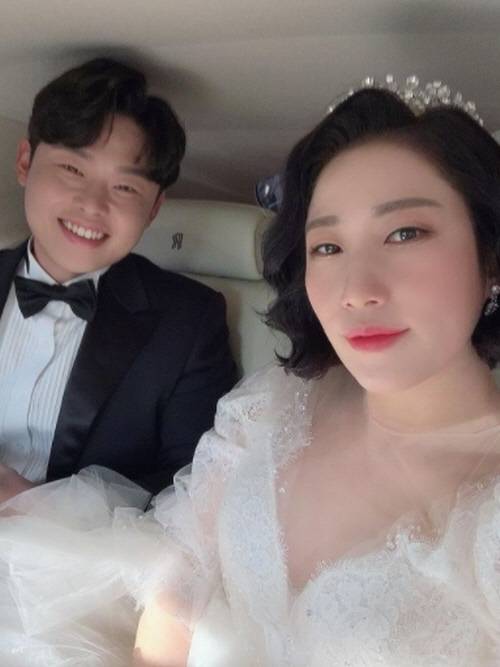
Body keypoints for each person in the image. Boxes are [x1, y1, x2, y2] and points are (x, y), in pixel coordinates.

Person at [2, 77, 500, 666]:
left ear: (490, 253)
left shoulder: (187, 321)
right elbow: (175, 585)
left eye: (405, 233)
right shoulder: (276, 401)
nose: (356, 290)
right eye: (327, 247)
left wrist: (29, 507)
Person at [0, 57, 236, 500]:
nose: (92, 205)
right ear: (25, 162)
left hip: (82, 545)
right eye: (73, 169)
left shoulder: (189, 322)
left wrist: (37, 506)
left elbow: (195, 489)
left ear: (154, 208)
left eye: (125, 188)